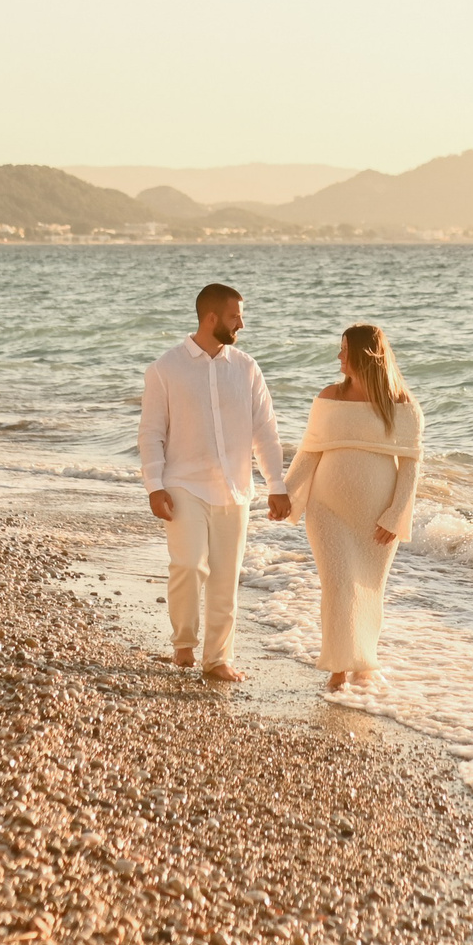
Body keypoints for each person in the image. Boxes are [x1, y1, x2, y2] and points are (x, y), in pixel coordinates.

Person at [137, 282, 290, 683]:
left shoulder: (246, 368)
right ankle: (183, 644)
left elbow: (266, 432)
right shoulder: (165, 369)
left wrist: (278, 484)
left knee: (225, 576)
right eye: (235, 315)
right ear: (211, 318)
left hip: (235, 488)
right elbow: (151, 433)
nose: (242, 322)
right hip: (183, 484)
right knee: (188, 564)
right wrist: (154, 485)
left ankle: (217, 659)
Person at [283, 323, 422, 691]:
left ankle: (363, 663)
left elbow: (410, 467)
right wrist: (284, 493)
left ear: (365, 354)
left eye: (344, 349)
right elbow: (309, 452)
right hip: (327, 508)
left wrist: (395, 515)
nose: (338, 356)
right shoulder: (330, 396)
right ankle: (339, 668)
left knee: (369, 587)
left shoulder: (402, 405)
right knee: (339, 584)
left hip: (377, 515)